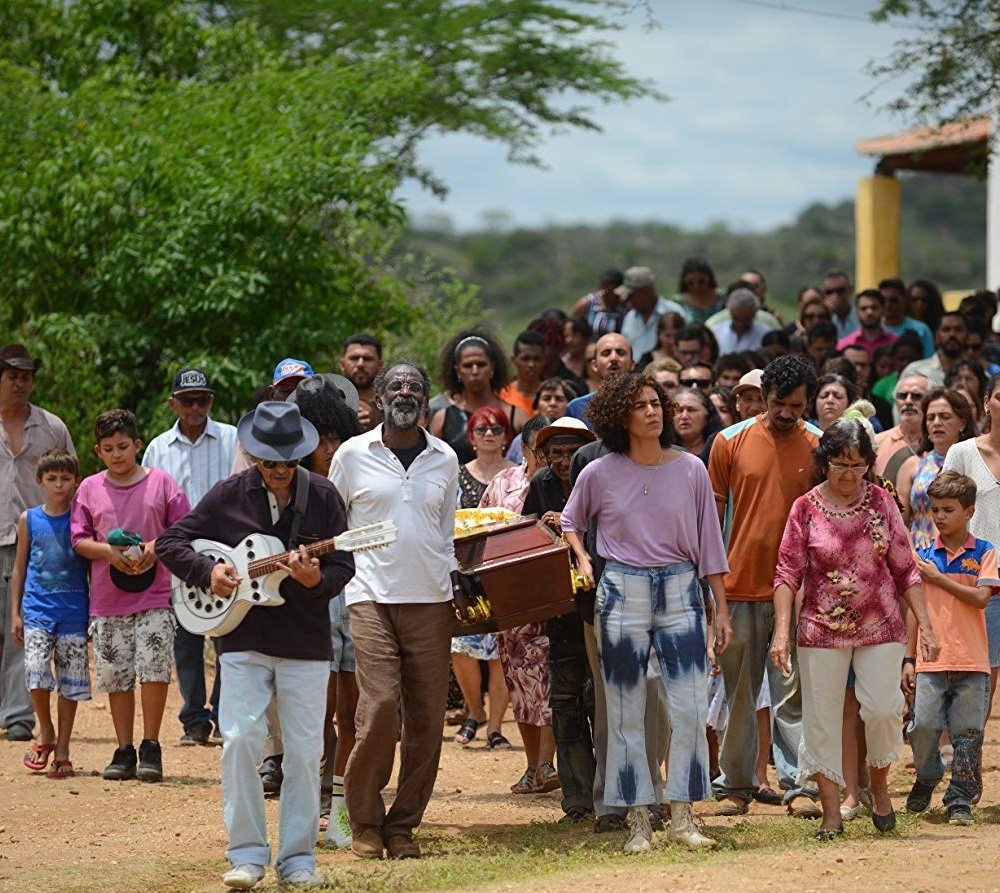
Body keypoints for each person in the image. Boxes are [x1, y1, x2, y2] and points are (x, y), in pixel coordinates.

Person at [157, 401, 354, 889]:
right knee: (241, 742)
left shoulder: (324, 495)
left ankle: (297, 860)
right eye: (271, 462)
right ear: (253, 455)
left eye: (291, 461)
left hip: (306, 642)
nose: (282, 470)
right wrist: (209, 571)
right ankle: (246, 854)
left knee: (307, 751)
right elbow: (170, 542)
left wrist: (313, 580)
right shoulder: (228, 494)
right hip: (241, 639)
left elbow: (344, 565)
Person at [562, 372, 732, 853]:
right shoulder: (598, 471)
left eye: (657, 403)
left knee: (691, 705)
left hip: (681, 586)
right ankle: (638, 818)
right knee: (624, 710)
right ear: (621, 417)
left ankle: (683, 816)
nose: (654, 412)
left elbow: (710, 546)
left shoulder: (691, 469)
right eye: (641, 406)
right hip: (621, 588)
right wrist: (583, 555)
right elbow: (571, 521)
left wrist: (720, 609)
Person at [770, 416, 939, 839]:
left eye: (858, 465)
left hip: (880, 624)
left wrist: (929, 628)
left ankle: (878, 790)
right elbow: (787, 573)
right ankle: (831, 810)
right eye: (841, 464)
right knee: (821, 719)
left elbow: (907, 571)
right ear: (824, 462)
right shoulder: (805, 507)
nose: (849, 474)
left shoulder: (882, 503)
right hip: (819, 629)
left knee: (883, 710)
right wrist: (781, 632)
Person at [329, 360, 459, 861]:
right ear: (379, 397)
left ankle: (403, 825)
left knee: (427, 720)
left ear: (425, 399)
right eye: (395, 386)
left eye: (414, 387)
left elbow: (445, 533)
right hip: (369, 596)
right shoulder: (351, 454)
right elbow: (335, 524)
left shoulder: (445, 458)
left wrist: (453, 580)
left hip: (431, 599)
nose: (405, 393)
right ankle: (365, 820)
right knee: (380, 706)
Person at [708, 354, 822, 818]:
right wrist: (711, 596)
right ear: (763, 398)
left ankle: (798, 786)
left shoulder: (819, 445)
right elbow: (710, 523)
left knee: (792, 692)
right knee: (738, 693)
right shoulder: (728, 442)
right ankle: (736, 785)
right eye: (779, 403)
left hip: (797, 593)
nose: (787, 413)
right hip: (736, 588)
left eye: (797, 405)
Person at [71, 409, 191, 782]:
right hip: (108, 598)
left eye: (124, 446)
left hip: (155, 594)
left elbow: (183, 526)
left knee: (154, 669)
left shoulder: (162, 483)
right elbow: (78, 539)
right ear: (98, 451)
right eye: (109, 448)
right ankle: (123, 749)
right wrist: (108, 552)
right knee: (115, 674)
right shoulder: (89, 488)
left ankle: (150, 745)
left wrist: (155, 547)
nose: (117, 454)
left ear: (138, 445)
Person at [142, 366, 238, 747]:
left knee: (230, 631)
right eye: (186, 400)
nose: (194, 407)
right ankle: (194, 718)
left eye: (201, 399)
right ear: (173, 404)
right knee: (187, 635)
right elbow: (150, 502)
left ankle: (223, 711)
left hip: (228, 549)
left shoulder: (233, 439)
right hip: (180, 553)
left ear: (211, 401)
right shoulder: (157, 448)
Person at [288, 375, 365, 850]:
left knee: (351, 712)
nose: (330, 446)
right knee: (315, 710)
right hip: (313, 599)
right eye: (322, 437)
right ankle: (310, 802)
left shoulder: (359, 466)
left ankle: (341, 807)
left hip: (355, 592)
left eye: (336, 436)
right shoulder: (292, 482)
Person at [906, 471, 999, 825]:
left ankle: (959, 799)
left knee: (968, 734)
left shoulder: (984, 553)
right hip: (932, 660)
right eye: (935, 510)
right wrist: (908, 657)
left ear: (970, 512)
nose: (939, 517)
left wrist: (938, 579)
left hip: (973, 661)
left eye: (948, 510)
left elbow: (980, 598)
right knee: (923, 726)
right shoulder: (925, 554)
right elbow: (916, 609)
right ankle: (928, 775)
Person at [523, 417, 599, 819]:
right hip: (560, 605)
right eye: (557, 453)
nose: (565, 460)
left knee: (599, 698)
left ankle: (607, 792)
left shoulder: (601, 476)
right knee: (567, 701)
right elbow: (524, 533)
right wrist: (544, 524)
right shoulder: (540, 485)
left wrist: (571, 525)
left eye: (572, 452)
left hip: (599, 601)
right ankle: (576, 799)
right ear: (544, 457)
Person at [0, 343, 76, 742]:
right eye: (12, 375)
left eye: (26, 376)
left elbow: (71, 481)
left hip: (39, 539)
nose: (20, 382)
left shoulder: (51, 427)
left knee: (23, 628)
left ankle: (17, 716)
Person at [480, 415, 557, 795]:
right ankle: (532, 766)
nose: (545, 456)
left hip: (554, 594)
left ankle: (547, 764)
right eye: (538, 448)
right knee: (520, 684)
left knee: (551, 681)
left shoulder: (566, 482)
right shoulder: (503, 483)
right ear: (525, 448)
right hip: (509, 599)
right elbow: (478, 528)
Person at [10, 449, 89, 779]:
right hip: (38, 610)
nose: (59, 485)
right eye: (52, 479)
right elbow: (19, 568)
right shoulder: (29, 519)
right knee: (36, 669)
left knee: (70, 681)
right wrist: (15, 613)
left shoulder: (82, 520)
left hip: (74, 611)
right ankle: (46, 730)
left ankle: (64, 748)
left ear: (76, 482)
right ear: (39, 481)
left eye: (66, 478)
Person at [452, 406, 514, 749]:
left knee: (501, 648)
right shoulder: (457, 474)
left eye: (496, 428)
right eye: (481, 429)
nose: (489, 434)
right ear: (471, 437)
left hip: (506, 568)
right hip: (465, 570)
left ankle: (495, 727)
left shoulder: (517, 475)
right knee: (462, 646)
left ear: (507, 435)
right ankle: (473, 712)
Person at [943, 372, 1000, 714]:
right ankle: (968, 764)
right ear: (986, 403)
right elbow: (944, 511)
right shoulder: (962, 453)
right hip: (979, 580)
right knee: (979, 676)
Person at [430, 331, 527, 463]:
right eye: (467, 366)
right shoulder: (442, 420)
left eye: (481, 365)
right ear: (458, 371)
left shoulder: (516, 417)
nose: (475, 371)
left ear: (492, 368)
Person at [896, 388, 975, 548]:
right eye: (931, 417)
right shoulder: (912, 465)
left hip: (966, 554)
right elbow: (898, 520)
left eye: (945, 417)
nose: (936, 423)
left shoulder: (975, 462)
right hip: (920, 553)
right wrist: (911, 549)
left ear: (962, 422)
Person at [619, 267, 687, 362]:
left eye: (631, 295)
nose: (628, 300)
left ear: (646, 292)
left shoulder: (675, 311)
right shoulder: (630, 318)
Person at [873, 372, 932, 481]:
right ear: (895, 401)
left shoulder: (939, 442)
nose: (908, 401)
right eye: (902, 396)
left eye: (917, 396)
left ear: (932, 401)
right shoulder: (876, 442)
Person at [566, 332, 634, 425]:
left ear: (632, 364)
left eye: (620, 353)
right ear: (594, 365)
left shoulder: (647, 406)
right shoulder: (576, 408)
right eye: (606, 353)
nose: (613, 358)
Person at [902, 312, 969, 385]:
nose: (952, 334)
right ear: (937, 336)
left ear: (967, 336)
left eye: (958, 330)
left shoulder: (976, 374)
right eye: (946, 330)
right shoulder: (915, 371)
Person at [880, 277, 934, 358]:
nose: (888, 305)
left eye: (894, 300)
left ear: (905, 300)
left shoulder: (922, 330)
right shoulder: (874, 331)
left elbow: (928, 361)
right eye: (883, 300)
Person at [836, 289, 898, 359]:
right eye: (863, 308)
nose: (869, 312)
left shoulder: (895, 343)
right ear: (856, 311)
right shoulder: (844, 345)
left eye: (874, 308)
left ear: (883, 309)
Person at [339, 334, 384, 432]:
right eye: (354, 358)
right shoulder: (328, 400)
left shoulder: (391, 403)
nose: (360, 364)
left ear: (380, 365)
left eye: (368, 359)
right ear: (342, 364)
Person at [498, 330, 546, 416]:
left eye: (536, 359)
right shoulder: (502, 396)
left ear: (544, 361)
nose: (531, 364)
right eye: (525, 359)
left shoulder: (551, 397)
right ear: (514, 360)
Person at [672, 386, 724, 462]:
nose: (684, 416)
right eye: (679, 410)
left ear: (707, 415)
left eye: (691, 410)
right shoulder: (661, 451)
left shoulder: (721, 449)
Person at [710, 288, 770, 353]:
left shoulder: (766, 335)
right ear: (730, 312)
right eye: (736, 319)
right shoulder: (716, 332)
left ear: (754, 314)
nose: (740, 325)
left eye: (746, 320)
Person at [570, 268, 627, 336]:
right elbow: (570, 324)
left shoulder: (626, 306)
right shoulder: (588, 303)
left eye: (614, 293)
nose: (610, 297)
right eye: (606, 292)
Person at [673, 257, 725, 325]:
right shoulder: (677, 303)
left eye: (701, 282)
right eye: (690, 283)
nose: (696, 286)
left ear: (709, 278)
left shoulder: (723, 299)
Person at [821, 269, 859, 340]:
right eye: (829, 292)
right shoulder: (820, 319)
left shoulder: (862, 317)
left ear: (850, 291)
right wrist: (826, 315)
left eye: (840, 291)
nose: (835, 296)